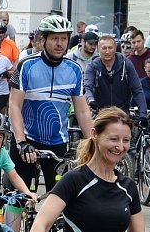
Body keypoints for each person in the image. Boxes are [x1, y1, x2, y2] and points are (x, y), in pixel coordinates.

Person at [17, 15, 93, 191]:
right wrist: (20, 141)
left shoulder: (75, 70)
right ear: (44, 40)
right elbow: (14, 106)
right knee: (19, 196)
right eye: (54, 39)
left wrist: (92, 142)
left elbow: (82, 111)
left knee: (59, 196)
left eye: (64, 39)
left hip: (57, 141)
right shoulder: (26, 66)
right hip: (27, 138)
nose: (60, 44)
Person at [83, 32, 144, 117]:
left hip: (122, 112)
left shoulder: (126, 64)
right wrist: (90, 99)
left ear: (115, 48)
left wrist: (143, 115)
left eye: (110, 48)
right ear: (98, 49)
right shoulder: (92, 66)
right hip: (100, 113)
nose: (107, 51)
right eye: (104, 48)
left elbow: (137, 90)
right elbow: (87, 87)